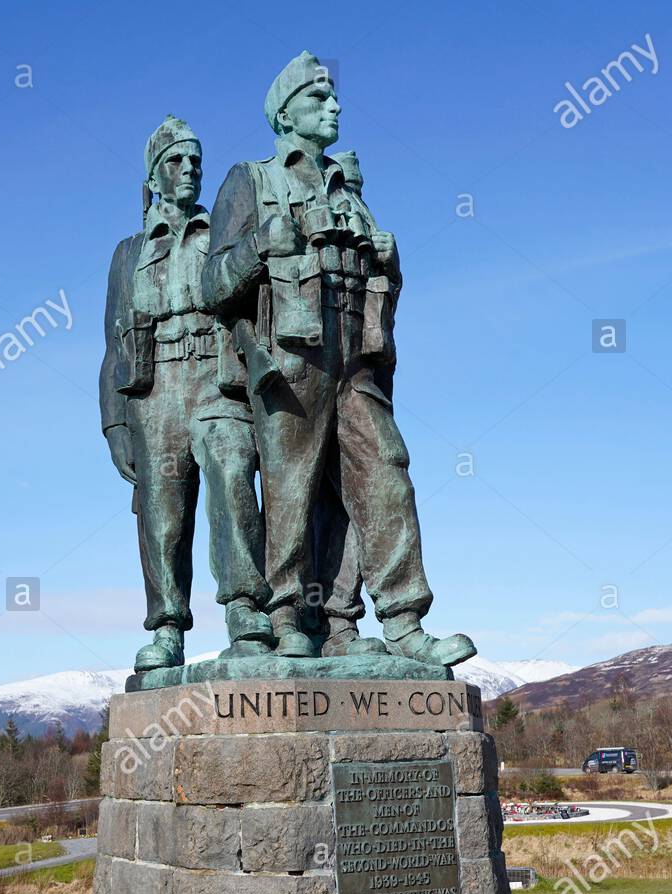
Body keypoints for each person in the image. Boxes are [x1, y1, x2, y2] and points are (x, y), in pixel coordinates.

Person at [202, 54, 475, 668]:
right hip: (293, 358)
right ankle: (287, 615)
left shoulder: (348, 189)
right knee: (290, 487)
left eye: (334, 97)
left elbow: (380, 283)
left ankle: (404, 621)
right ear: (285, 111)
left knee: (386, 468)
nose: (336, 107)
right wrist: (256, 246)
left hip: (357, 357)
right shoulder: (251, 179)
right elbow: (212, 283)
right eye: (320, 97)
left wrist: (389, 258)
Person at [100, 116, 272, 671]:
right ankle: (168, 627)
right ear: (154, 174)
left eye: (196, 161)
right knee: (162, 514)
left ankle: (246, 610)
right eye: (177, 161)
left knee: (232, 478)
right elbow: (111, 345)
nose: (190, 170)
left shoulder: (221, 229)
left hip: (216, 379)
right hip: (154, 393)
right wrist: (116, 424)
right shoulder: (127, 254)